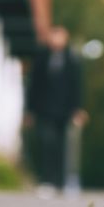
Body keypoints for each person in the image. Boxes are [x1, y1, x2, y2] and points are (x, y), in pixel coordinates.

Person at [25, 26, 88, 196]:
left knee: (62, 146)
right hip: (43, 110)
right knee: (46, 143)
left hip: (64, 111)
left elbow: (77, 86)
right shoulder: (41, 58)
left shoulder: (72, 59)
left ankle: (61, 181)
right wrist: (30, 110)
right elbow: (33, 86)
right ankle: (47, 180)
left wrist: (78, 109)